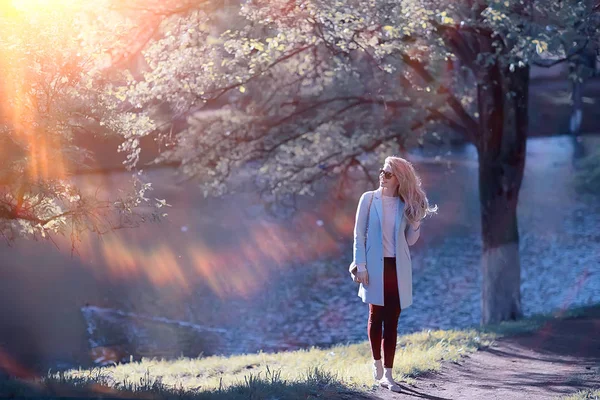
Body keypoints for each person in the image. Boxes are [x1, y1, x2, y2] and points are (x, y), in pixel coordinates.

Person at [352, 156, 437, 392]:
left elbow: (409, 240)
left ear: (399, 178)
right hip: (374, 266)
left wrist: (417, 221)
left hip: (398, 268)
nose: (382, 176)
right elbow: (359, 235)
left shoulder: (404, 204)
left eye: (388, 173)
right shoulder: (368, 199)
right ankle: (376, 364)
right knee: (375, 315)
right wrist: (361, 265)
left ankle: (388, 375)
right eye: (382, 171)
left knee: (392, 320)